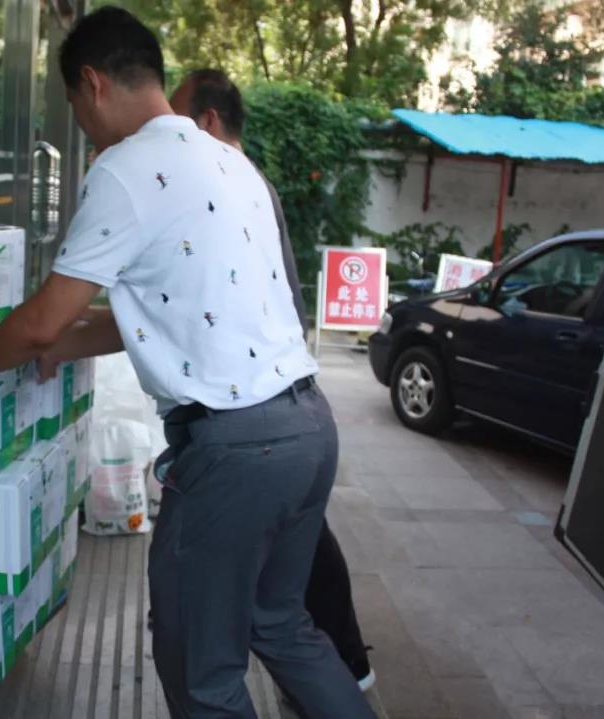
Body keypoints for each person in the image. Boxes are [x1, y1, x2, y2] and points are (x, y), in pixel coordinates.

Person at [0, 8, 374, 718]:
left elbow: (42, 319)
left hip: (236, 450)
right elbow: (169, 315)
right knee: (282, 624)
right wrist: (57, 345)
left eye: (74, 105)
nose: (82, 127)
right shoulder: (231, 162)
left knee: (201, 670)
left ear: (92, 83)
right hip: (308, 429)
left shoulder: (126, 169)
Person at [169, 68, 376, 693]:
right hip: (287, 403)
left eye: (176, 119)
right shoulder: (246, 180)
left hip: (258, 409)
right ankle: (345, 670)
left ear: (207, 121)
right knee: (286, 592)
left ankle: (347, 664)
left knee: (275, 588)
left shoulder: (229, 182)